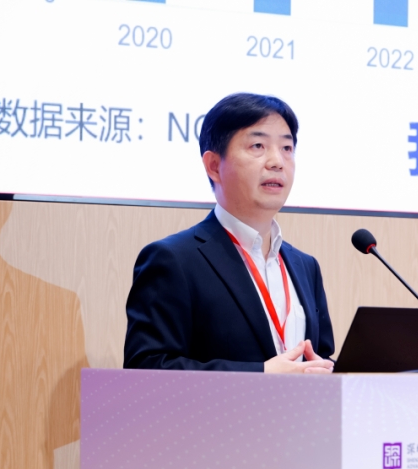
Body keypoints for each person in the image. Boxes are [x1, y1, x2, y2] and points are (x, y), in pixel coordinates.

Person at [124, 93, 334, 373]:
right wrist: (261, 376)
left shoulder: (305, 266)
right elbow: (146, 368)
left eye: (287, 147)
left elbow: (321, 356)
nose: (277, 161)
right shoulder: (173, 260)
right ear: (214, 166)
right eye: (258, 146)